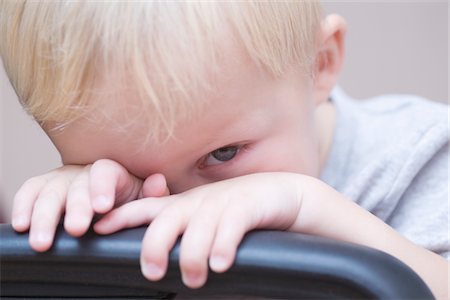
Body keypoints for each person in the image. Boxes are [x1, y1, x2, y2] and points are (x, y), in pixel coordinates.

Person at [1, 1, 448, 298]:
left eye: (224, 154)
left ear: (320, 65)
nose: (179, 204)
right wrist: (76, 242)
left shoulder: (419, 155)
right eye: (125, 170)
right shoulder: (106, 209)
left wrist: (308, 208)